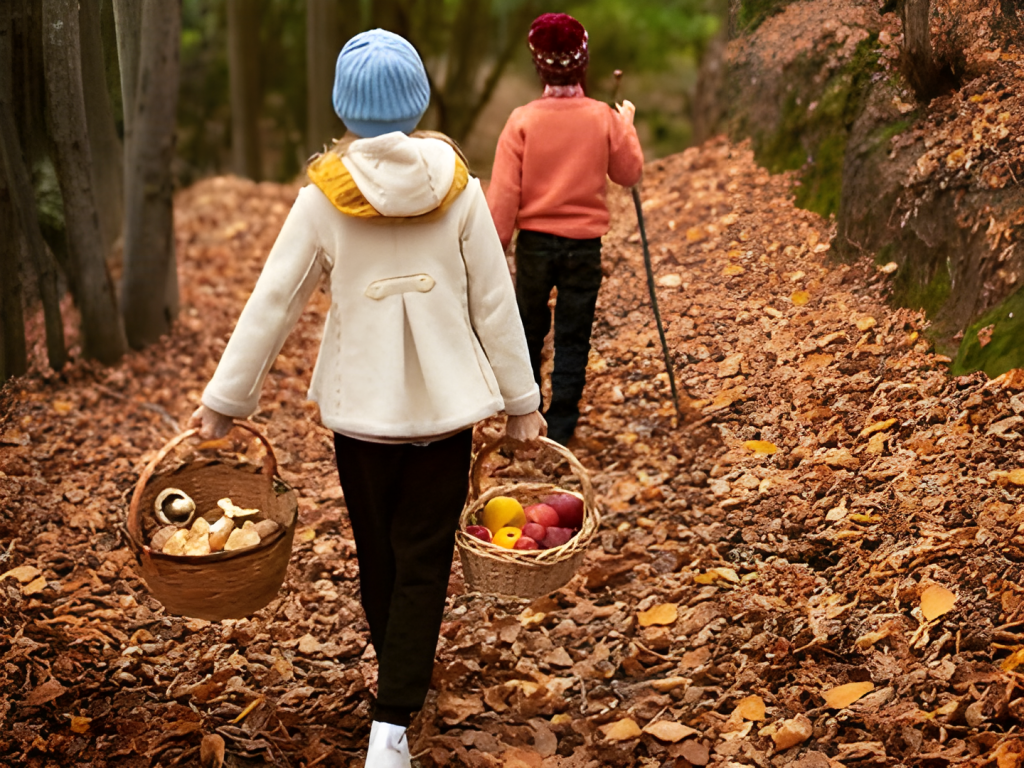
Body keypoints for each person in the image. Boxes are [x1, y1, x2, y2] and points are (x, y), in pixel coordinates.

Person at [189, 29, 545, 768]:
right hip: (445, 414)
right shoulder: (460, 188)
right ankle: (397, 707)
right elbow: (495, 302)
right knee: (424, 560)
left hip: (363, 419)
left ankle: (394, 708)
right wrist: (521, 399)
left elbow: (274, 302)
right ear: (418, 100)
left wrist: (226, 400)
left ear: (344, 109)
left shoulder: (324, 196)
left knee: (380, 558)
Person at [486, 12, 644, 447]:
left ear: (539, 65)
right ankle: (563, 425)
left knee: (527, 331)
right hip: (584, 248)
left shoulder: (521, 121)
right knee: (574, 335)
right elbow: (628, 174)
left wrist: (492, 247)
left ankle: (528, 414)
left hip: (534, 246)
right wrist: (625, 128)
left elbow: (503, 198)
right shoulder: (601, 117)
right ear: (583, 61)